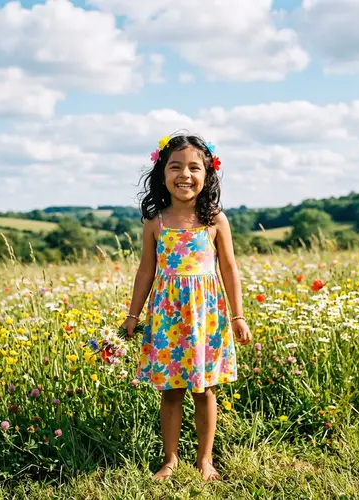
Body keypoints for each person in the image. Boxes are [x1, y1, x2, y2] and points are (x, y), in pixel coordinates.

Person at [120, 133, 252, 482]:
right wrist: (133, 315)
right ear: (162, 173)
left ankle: (205, 460)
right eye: (175, 166)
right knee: (171, 390)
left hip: (206, 317)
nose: (185, 175)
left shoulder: (215, 220)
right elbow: (146, 270)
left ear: (207, 174)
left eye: (194, 167)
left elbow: (229, 269)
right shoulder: (156, 222)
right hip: (167, 317)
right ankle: (170, 459)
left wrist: (238, 316)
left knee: (204, 388)